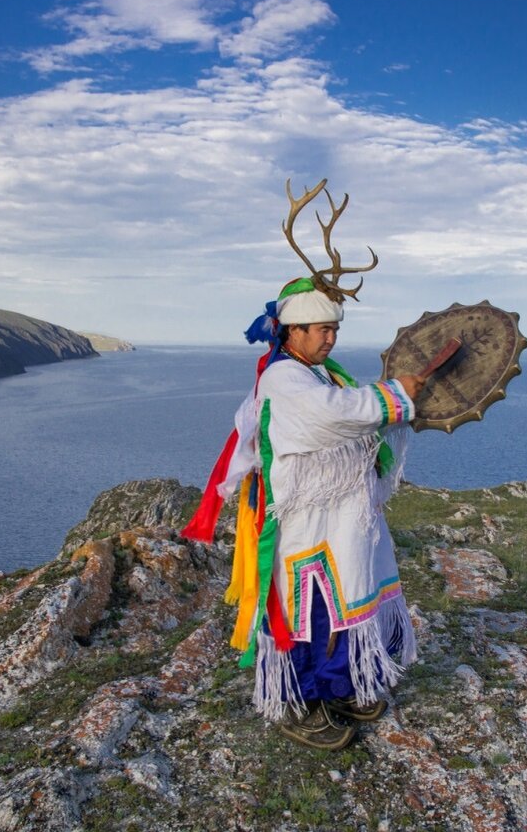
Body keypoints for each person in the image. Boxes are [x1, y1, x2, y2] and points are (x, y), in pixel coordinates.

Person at [183, 181, 425, 750]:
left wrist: (395, 399)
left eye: (334, 329)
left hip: (340, 512)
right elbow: (337, 415)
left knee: (348, 597)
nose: (330, 337)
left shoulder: (319, 371)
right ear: (292, 330)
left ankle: (341, 687)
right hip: (305, 520)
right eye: (321, 329)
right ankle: (297, 703)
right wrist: (397, 396)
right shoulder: (285, 380)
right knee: (308, 608)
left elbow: (347, 412)